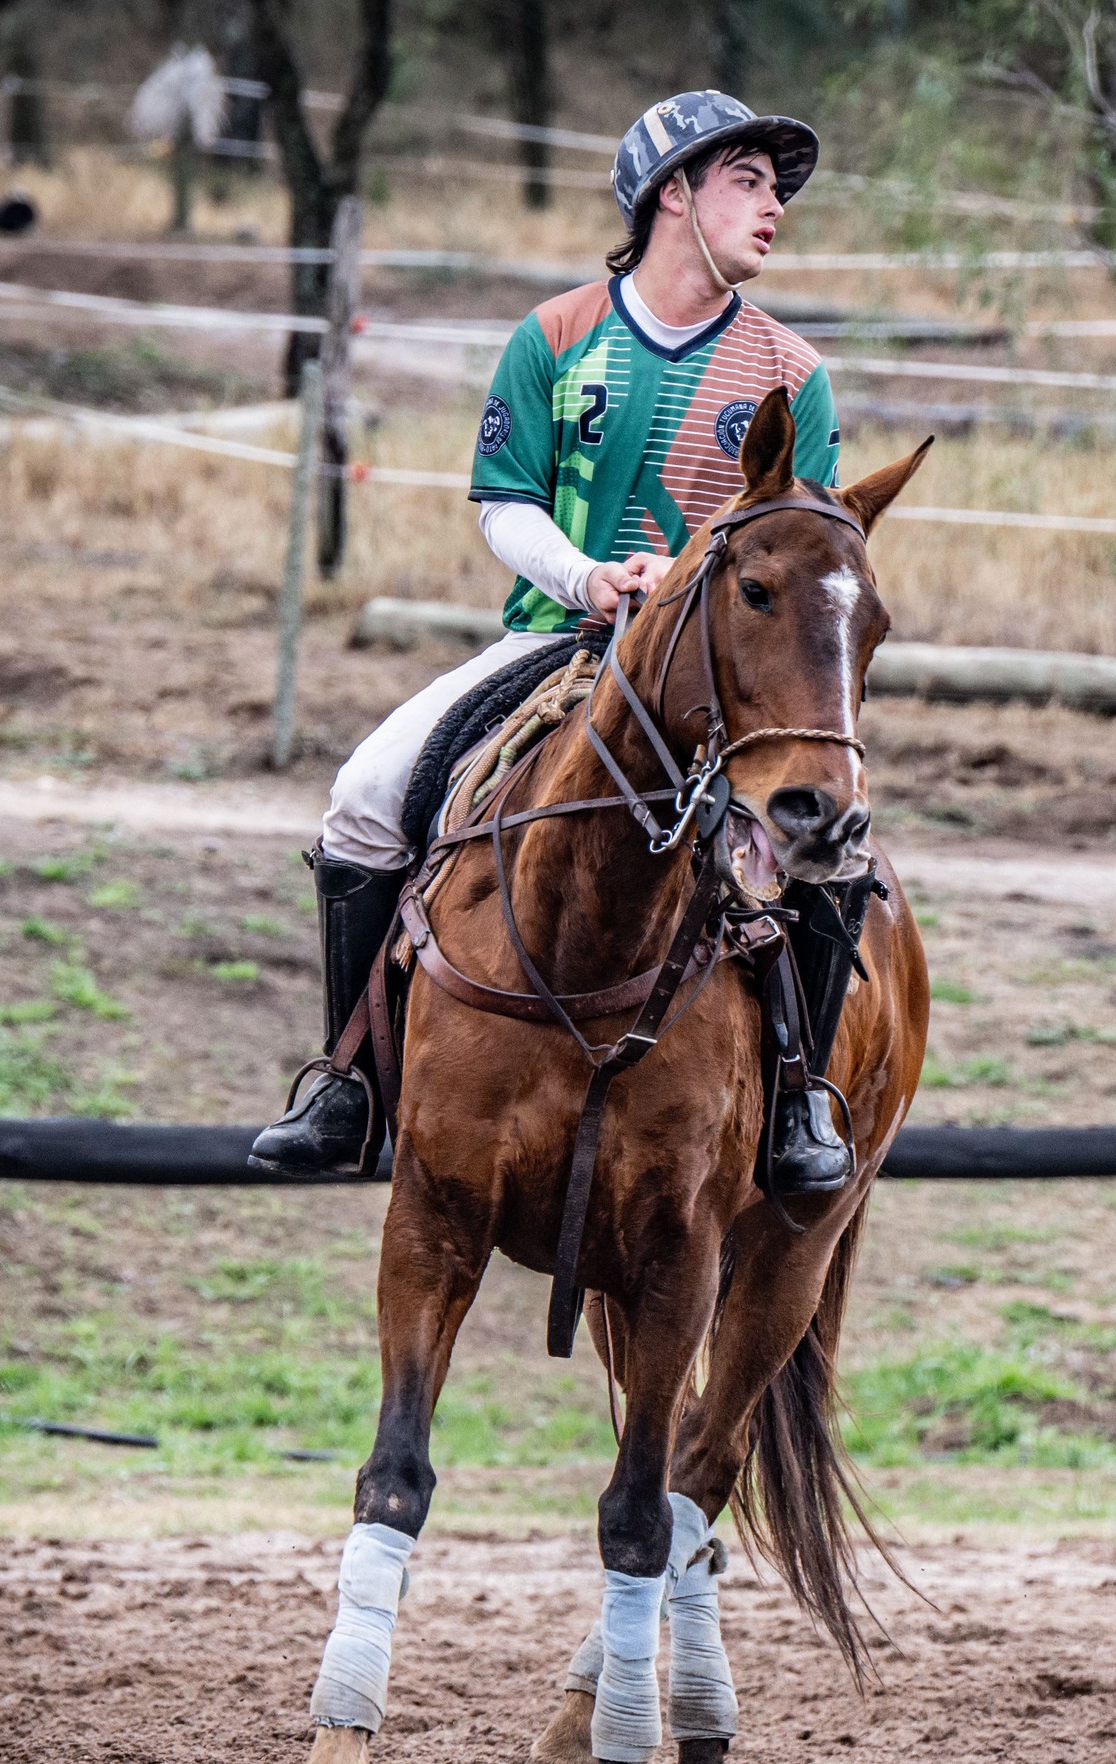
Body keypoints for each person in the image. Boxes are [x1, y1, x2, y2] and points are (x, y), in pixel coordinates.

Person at [250, 89, 855, 1194]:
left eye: (777, 191)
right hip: (553, 641)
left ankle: (798, 1099)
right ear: (673, 193)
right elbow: (501, 502)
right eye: (749, 183)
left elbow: (799, 547)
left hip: (715, 683)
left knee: (829, 845)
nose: (774, 209)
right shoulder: (554, 336)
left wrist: (689, 598)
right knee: (364, 794)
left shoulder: (793, 374)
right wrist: (588, 576)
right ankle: (348, 1087)